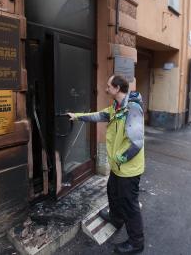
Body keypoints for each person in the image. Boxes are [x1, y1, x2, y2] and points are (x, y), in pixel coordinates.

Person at [67, 75, 145, 254]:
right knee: (112, 191)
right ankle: (116, 219)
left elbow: (136, 144)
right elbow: (99, 115)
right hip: (119, 168)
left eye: (109, 86)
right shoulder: (117, 107)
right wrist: (76, 116)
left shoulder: (132, 108)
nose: (106, 89)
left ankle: (136, 243)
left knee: (129, 205)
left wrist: (119, 159)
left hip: (128, 169)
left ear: (117, 88)